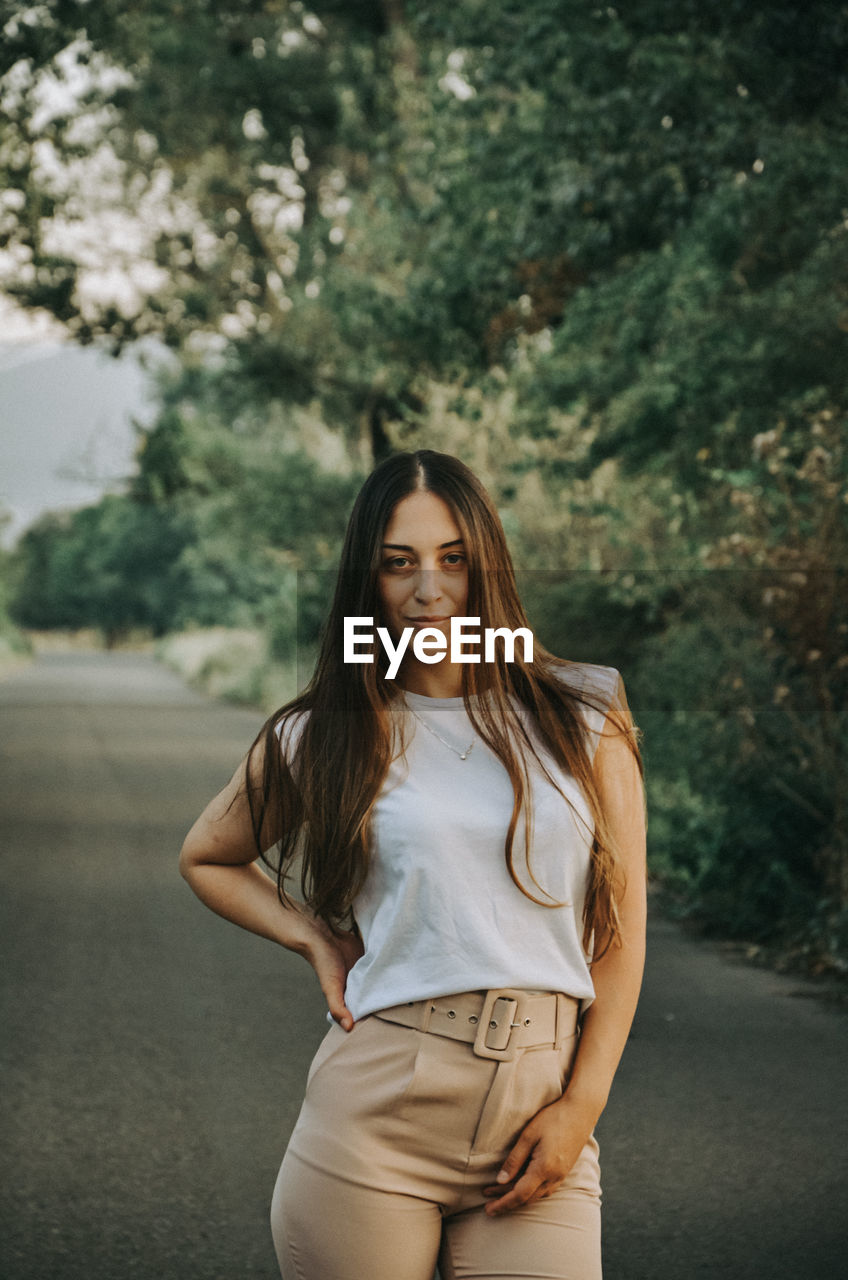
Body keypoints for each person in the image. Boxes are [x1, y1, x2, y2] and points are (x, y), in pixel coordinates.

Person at [179, 449, 646, 1280]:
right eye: (399, 563)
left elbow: (620, 932)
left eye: (453, 559)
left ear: (487, 566)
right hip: (376, 1119)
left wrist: (583, 1104)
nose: (429, 589)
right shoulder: (328, 732)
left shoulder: (585, 713)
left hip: (541, 1115)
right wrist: (315, 941)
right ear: (369, 578)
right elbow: (208, 856)